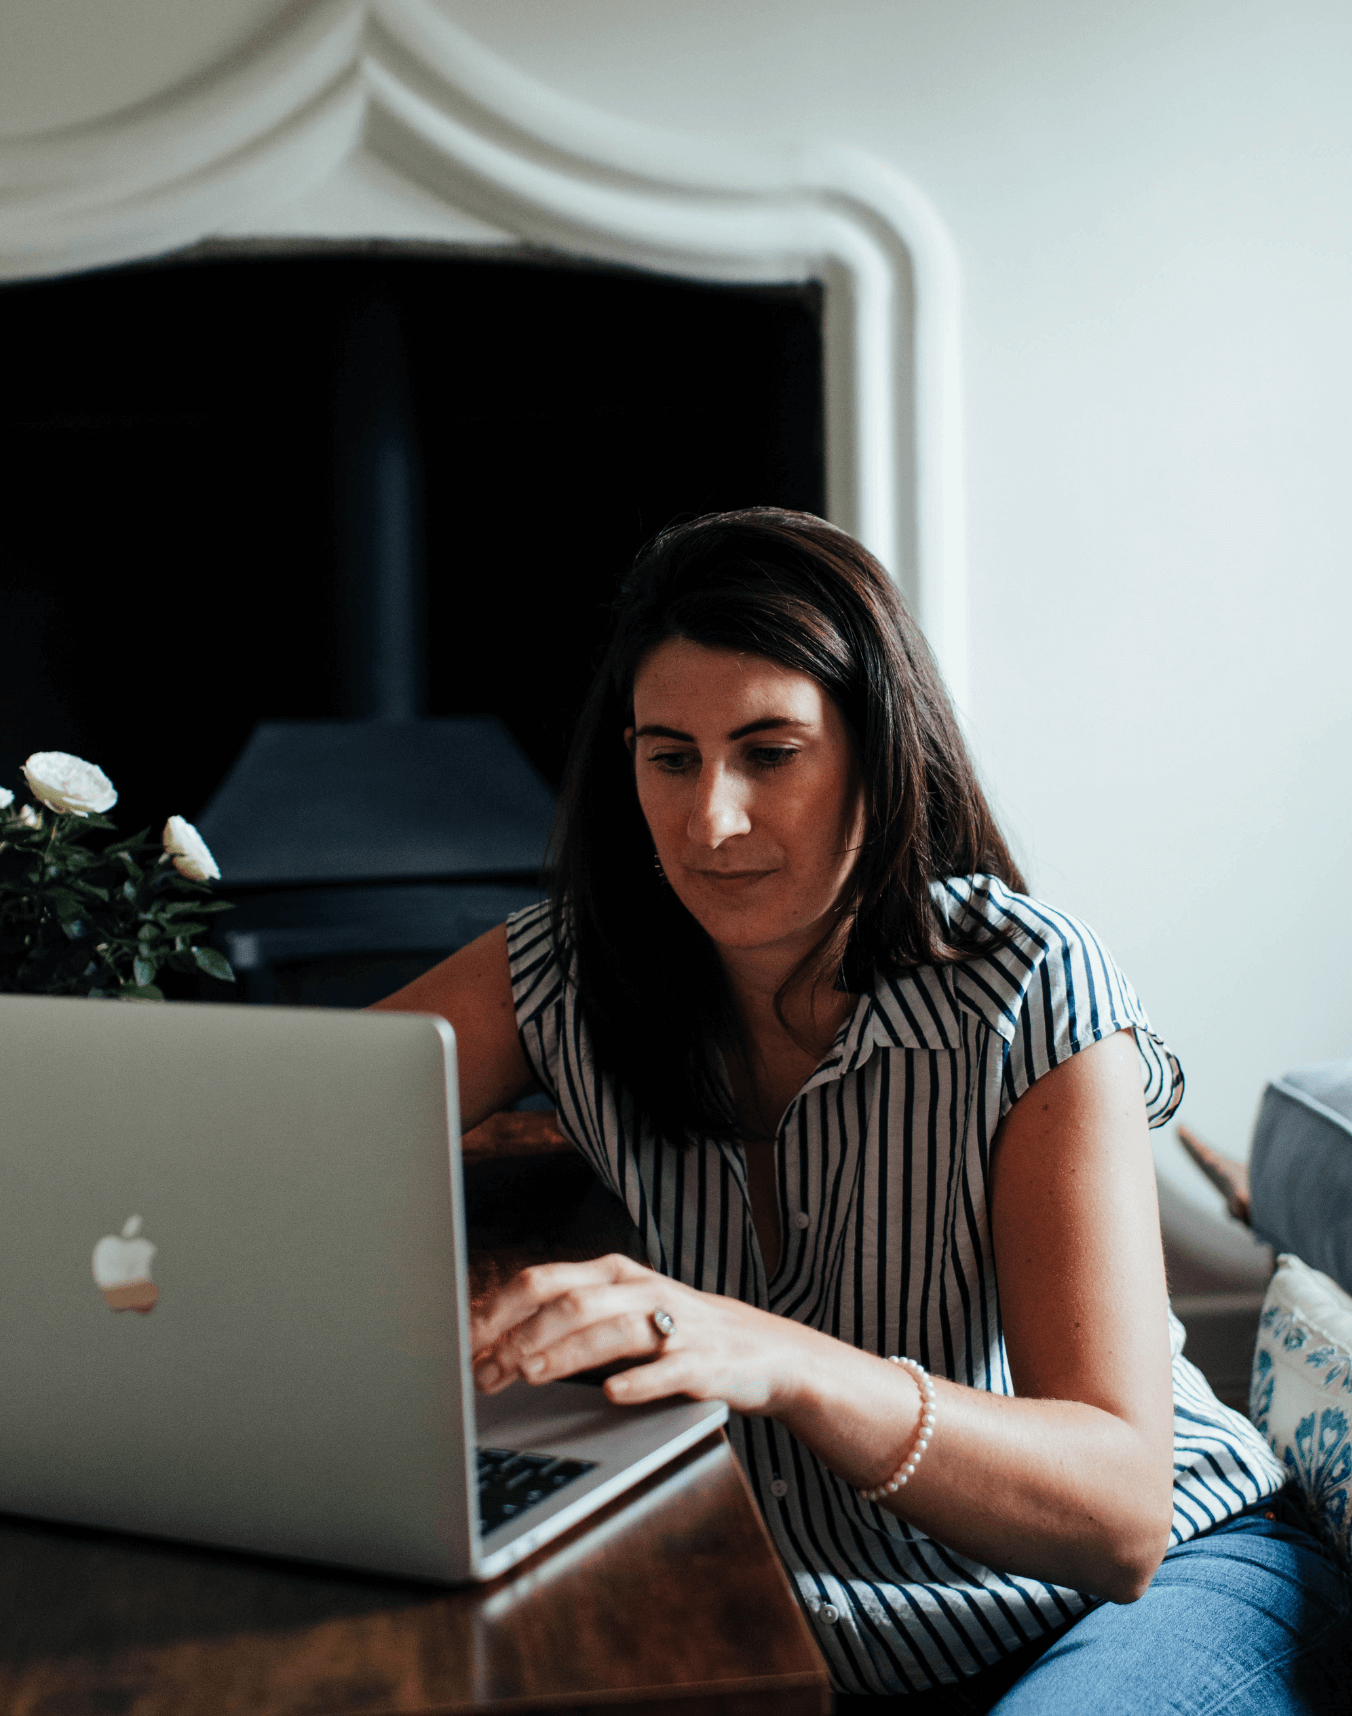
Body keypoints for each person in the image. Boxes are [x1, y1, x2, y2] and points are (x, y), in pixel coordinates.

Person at [378, 509, 1348, 1711]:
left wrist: (776, 1355)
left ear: (879, 754)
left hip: (1142, 1598)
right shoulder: (563, 972)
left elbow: (1118, 1516)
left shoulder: (1030, 986)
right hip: (823, 1621)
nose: (709, 819)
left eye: (770, 752)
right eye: (669, 755)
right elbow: (275, 1130)